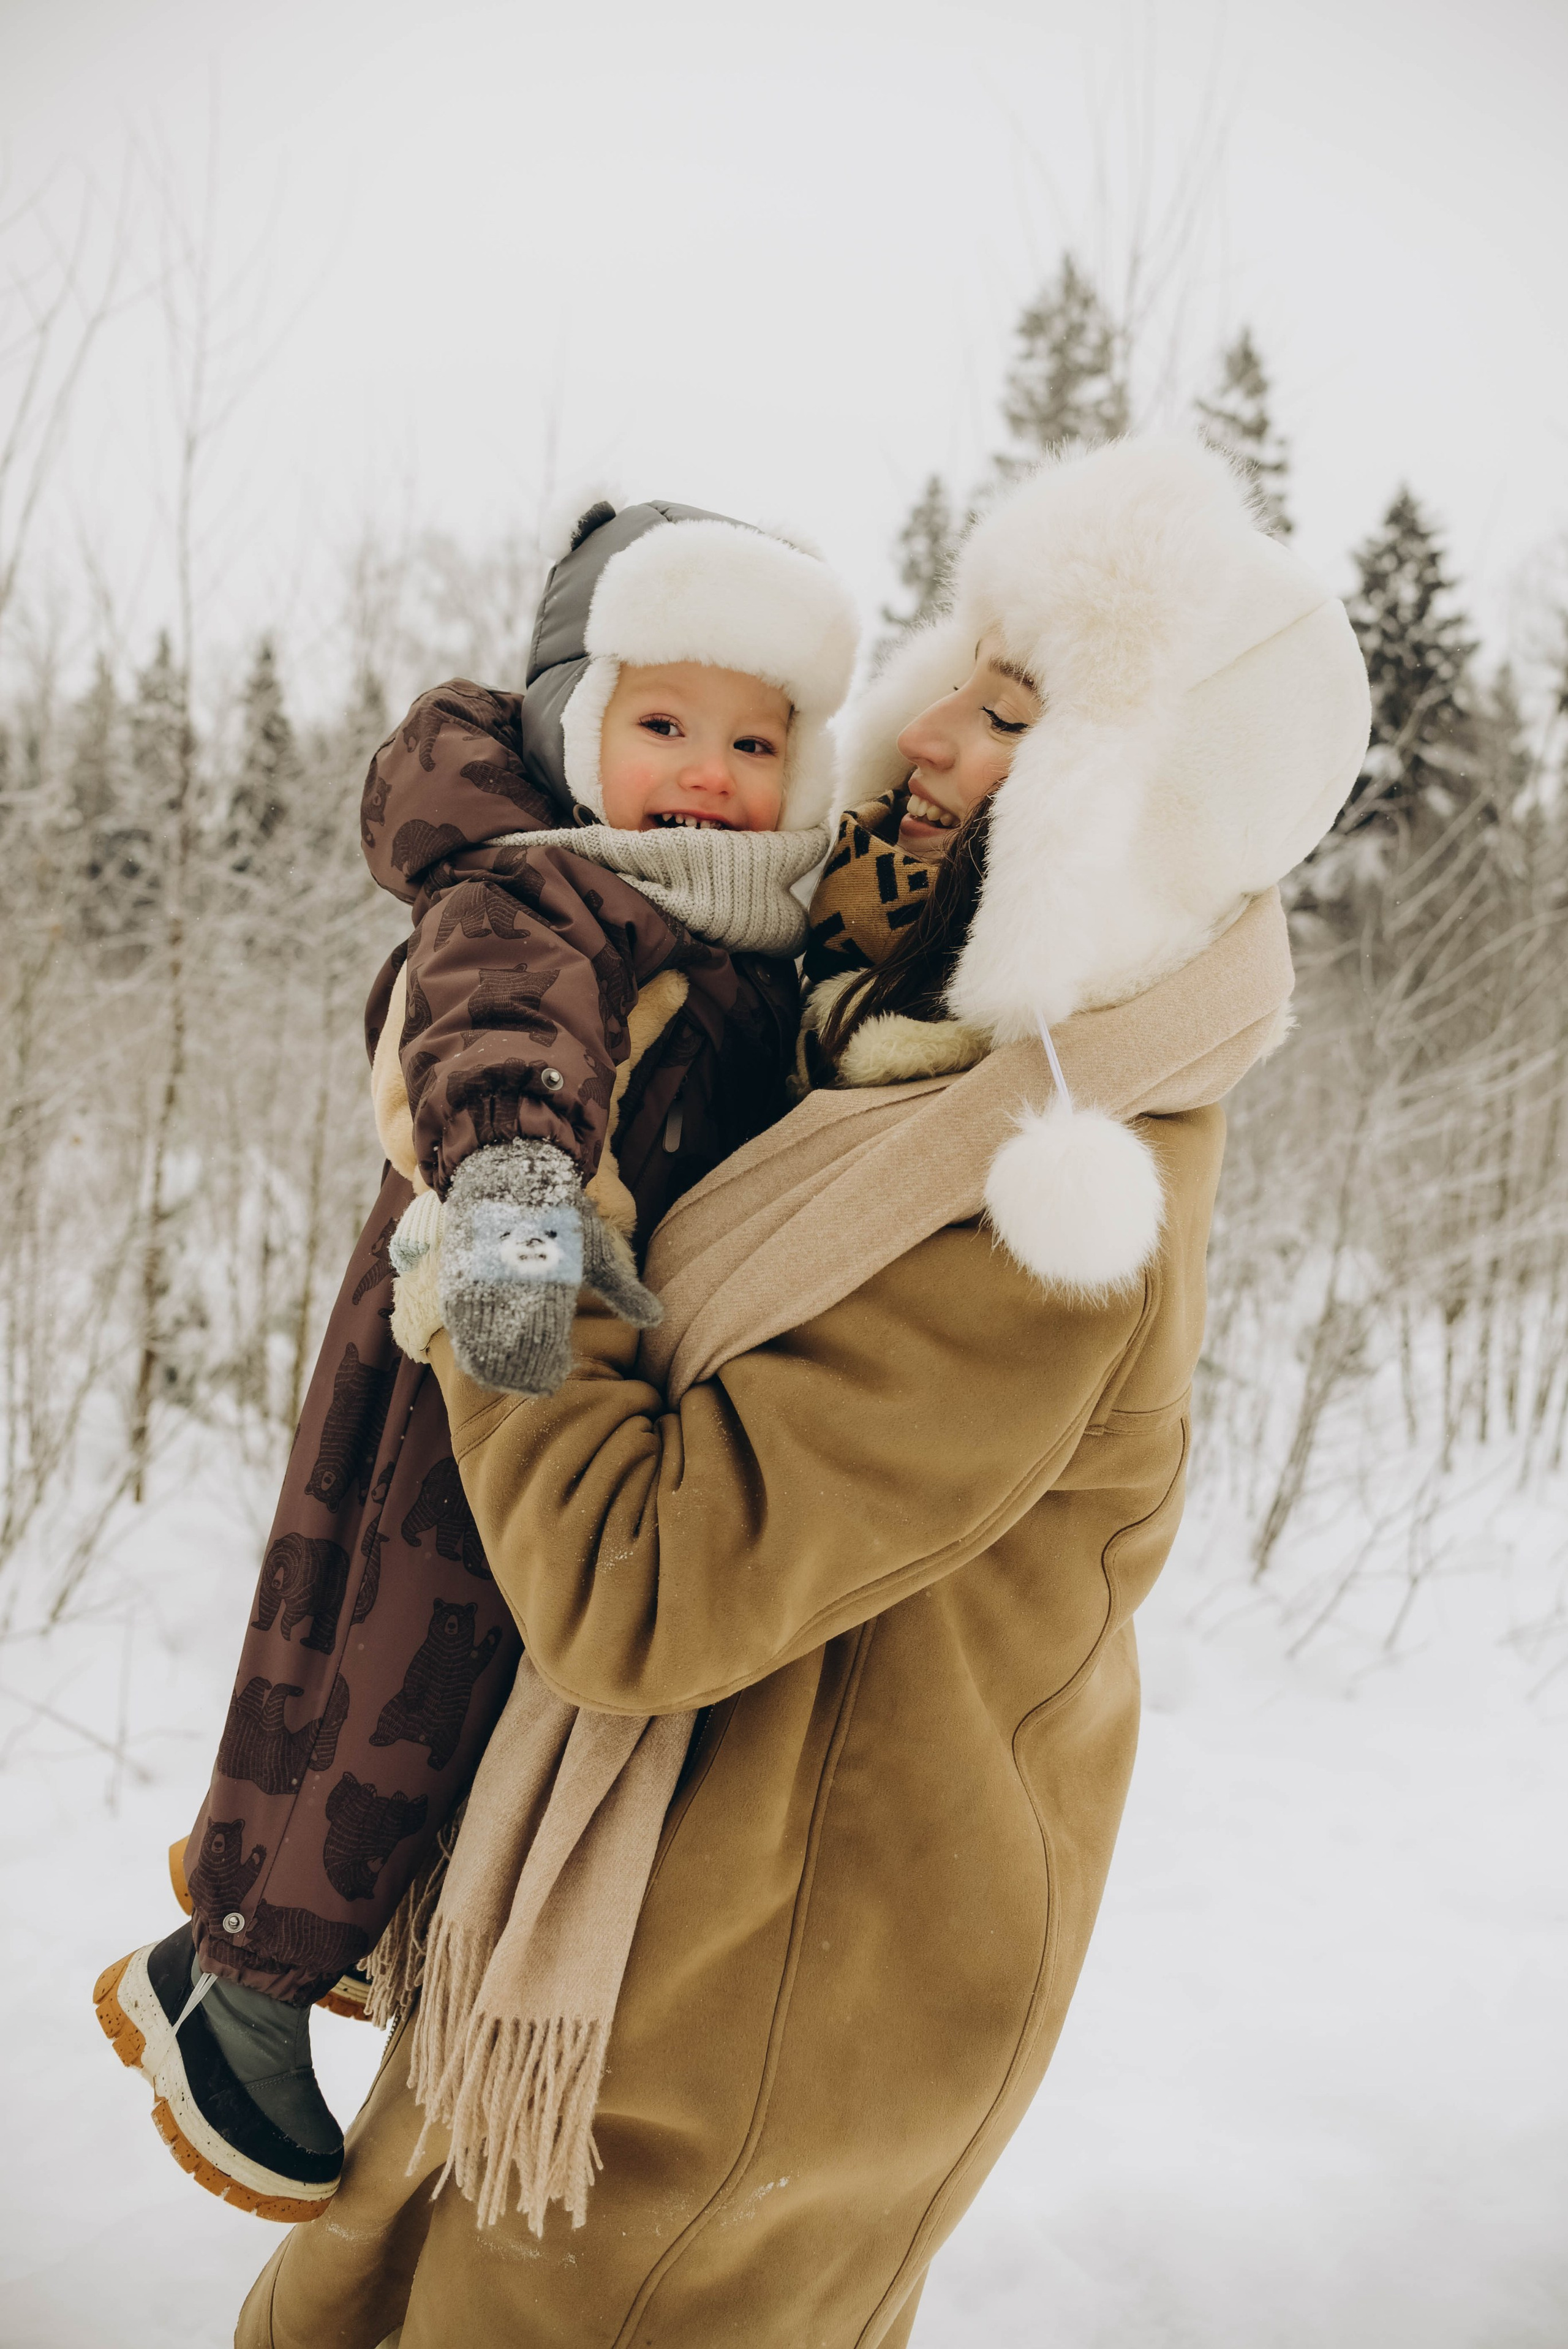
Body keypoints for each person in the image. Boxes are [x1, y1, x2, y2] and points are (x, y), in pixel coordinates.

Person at [226, 432, 1371, 2348]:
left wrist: (509, 1215)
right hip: (638, 1945)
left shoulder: (1048, 1203)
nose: (920, 736)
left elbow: (640, 1580)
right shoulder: (892, 1057)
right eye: (953, 679)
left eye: (1008, 713)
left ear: (1127, 813)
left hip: (742, 2041)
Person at [90, 500, 859, 2219]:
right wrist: (518, 1198)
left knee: (438, 1674)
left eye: (755, 739)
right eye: (664, 725)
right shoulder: (546, 885)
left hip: (582, 1375)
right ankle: (253, 2000)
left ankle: (238, 1935)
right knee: (391, 1663)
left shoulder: (741, 928)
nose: (708, 771)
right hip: (478, 1350)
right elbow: (494, 1033)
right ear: (583, 723)